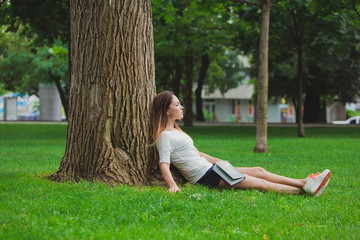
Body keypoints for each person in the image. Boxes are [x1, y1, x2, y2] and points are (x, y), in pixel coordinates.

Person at [151, 91, 331, 197]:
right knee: (259, 183)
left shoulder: (177, 132)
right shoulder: (165, 136)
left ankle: (306, 183)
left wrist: (219, 161)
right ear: (166, 110)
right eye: (177, 104)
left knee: (260, 170)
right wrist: (172, 185)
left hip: (213, 169)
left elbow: (197, 154)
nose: (181, 107)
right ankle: (305, 189)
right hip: (205, 177)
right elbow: (164, 164)